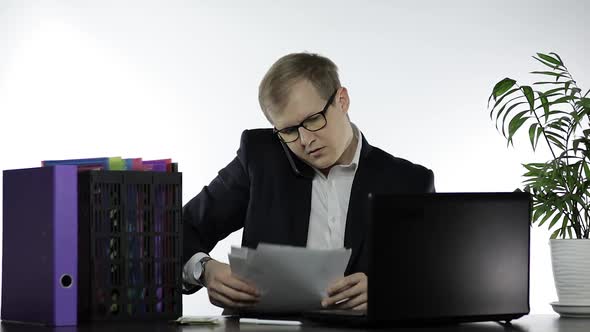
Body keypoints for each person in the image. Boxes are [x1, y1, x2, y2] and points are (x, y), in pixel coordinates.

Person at [182, 52, 435, 311]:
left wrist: (388, 291)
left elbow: (434, 278)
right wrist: (205, 270)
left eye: (313, 120)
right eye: (289, 131)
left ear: (342, 100)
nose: (305, 140)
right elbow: (178, 229)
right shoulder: (259, 159)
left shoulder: (409, 181)